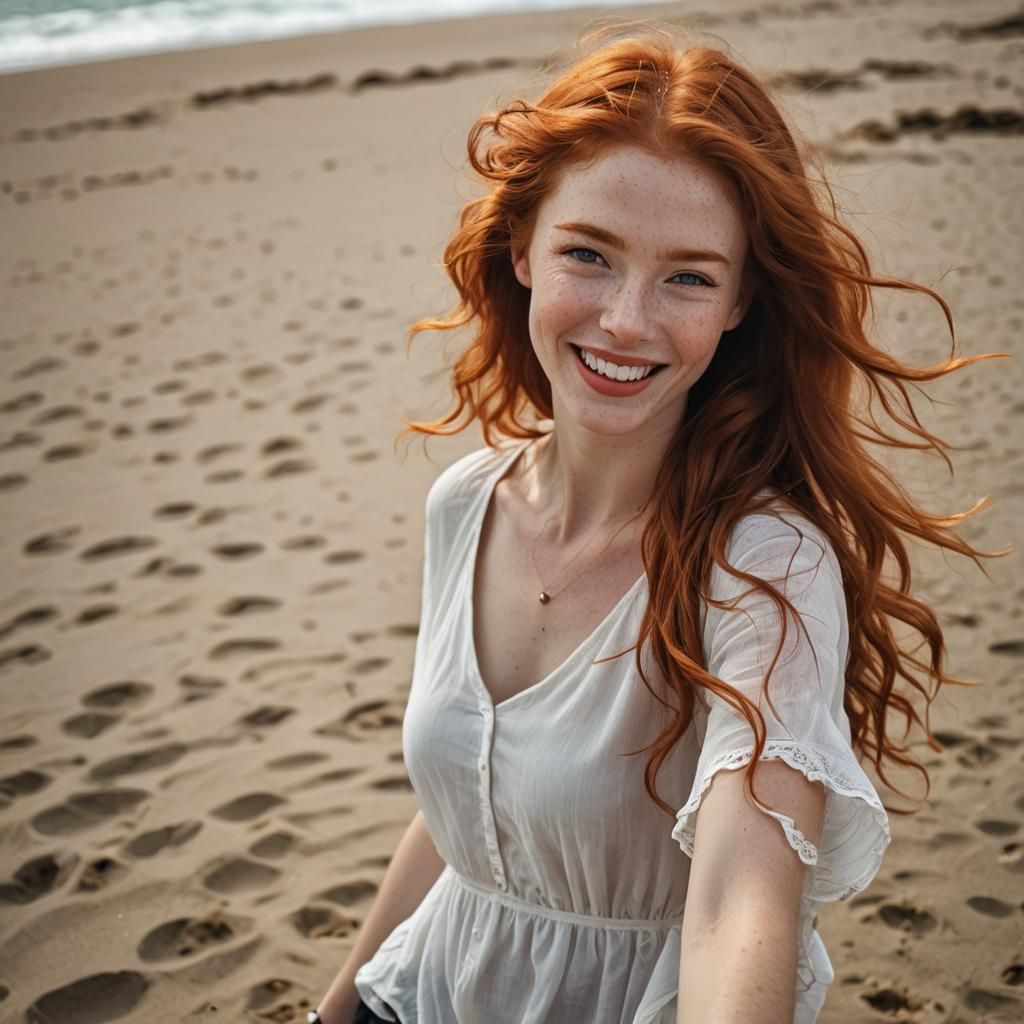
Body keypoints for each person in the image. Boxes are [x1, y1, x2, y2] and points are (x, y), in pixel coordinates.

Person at [308, 20, 1001, 1024]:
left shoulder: (765, 566)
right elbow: (468, 821)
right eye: (588, 254)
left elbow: (739, 903)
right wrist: (335, 1009)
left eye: (688, 276)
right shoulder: (466, 502)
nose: (627, 319)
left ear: (739, 302)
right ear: (523, 249)